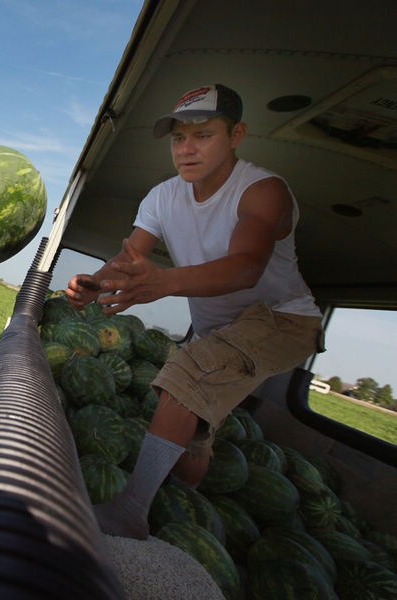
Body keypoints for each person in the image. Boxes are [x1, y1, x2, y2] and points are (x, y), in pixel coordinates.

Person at [65, 84, 323, 539]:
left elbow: (246, 267)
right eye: (178, 138)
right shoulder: (162, 198)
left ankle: (130, 513)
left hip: (282, 318)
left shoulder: (263, 191)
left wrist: (163, 282)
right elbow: (128, 259)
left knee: (183, 378)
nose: (186, 149)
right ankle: (183, 493)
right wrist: (94, 283)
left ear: (236, 134)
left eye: (202, 135)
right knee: (195, 426)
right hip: (219, 329)